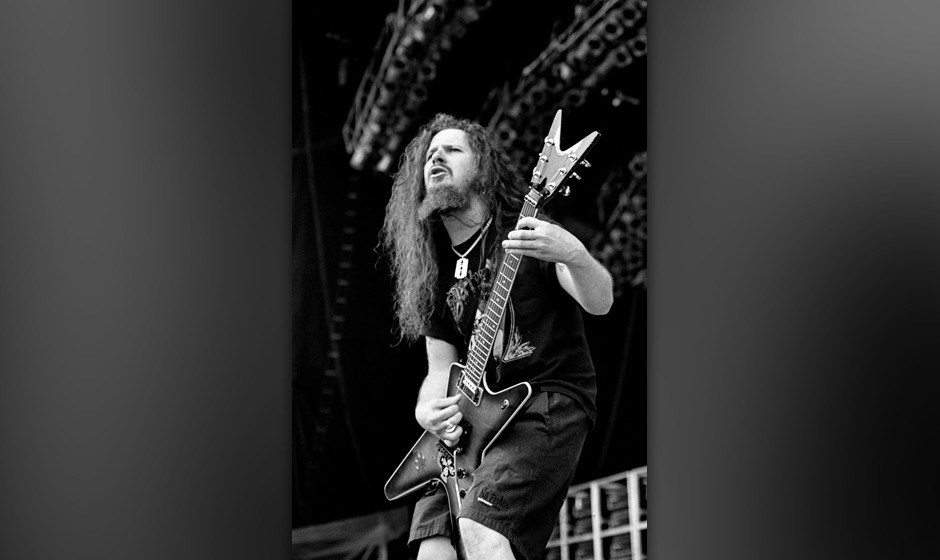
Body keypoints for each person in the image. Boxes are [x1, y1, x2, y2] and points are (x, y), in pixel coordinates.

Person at [379, 113, 613, 560]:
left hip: (543, 402)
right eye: (430, 154)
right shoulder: (432, 269)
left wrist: (574, 254)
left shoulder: (525, 232)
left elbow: (600, 301)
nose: (436, 158)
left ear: (482, 169)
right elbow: (439, 367)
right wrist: (427, 410)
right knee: (433, 552)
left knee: (482, 532)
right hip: (467, 427)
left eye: (452, 150)